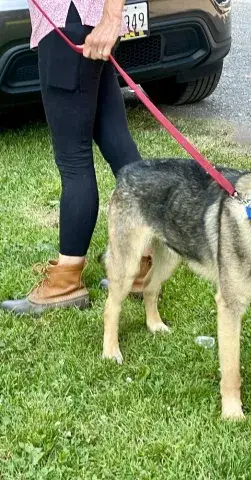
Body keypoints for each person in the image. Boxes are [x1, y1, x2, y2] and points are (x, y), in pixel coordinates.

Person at [0, 0, 151, 314]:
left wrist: (111, 17)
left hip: (68, 22)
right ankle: (140, 262)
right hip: (85, 23)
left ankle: (66, 281)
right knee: (115, 139)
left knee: (73, 158)